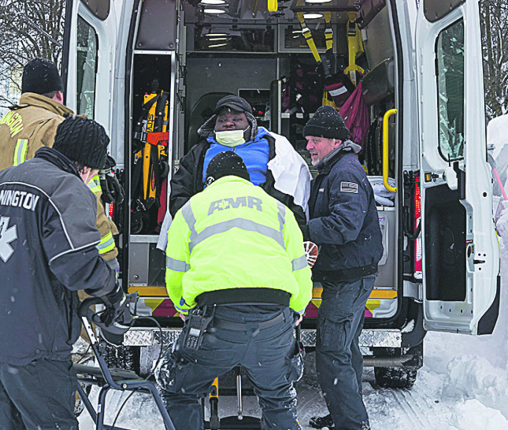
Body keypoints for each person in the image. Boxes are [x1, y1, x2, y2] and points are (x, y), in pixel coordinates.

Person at [0, 117, 125, 430]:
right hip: (31, 340)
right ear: (86, 167)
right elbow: (76, 266)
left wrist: (0, 278)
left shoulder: (2, 180)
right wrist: (112, 290)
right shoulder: (67, 188)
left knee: (4, 424)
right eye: (95, 173)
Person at [158, 151, 313, 430]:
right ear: (246, 179)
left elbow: (176, 270)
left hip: (215, 322)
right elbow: (300, 269)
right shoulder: (279, 209)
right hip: (273, 320)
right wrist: (297, 310)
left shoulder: (191, 209)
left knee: (181, 390)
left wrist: (184, 307)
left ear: (210, 181)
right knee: (278, 398)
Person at [0, 57, 119, 271]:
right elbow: (86, 198)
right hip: (43, 254)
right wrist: (107, 258)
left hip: (0, 248)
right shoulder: (56, 127)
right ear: (59, 96)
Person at [301, 106, 383, 430]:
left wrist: (303, 230)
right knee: (346, 349)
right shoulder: (333, 169)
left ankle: (352, 423)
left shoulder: (344, 172)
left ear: (335, 141)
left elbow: (345, 225)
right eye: (308, 139)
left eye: (316, 140)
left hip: (350, 279)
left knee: (332, 352)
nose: (309, 146)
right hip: (347, 275)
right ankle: (345, 415)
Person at [169, 94, 311, 224]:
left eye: (236, 119)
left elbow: (291, 190)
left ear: (251, 123)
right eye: (222, 120)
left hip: (262, 222)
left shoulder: (275, 146)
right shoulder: (200, 152)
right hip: (209, 224)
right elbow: (180, 193)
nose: (228, 123)